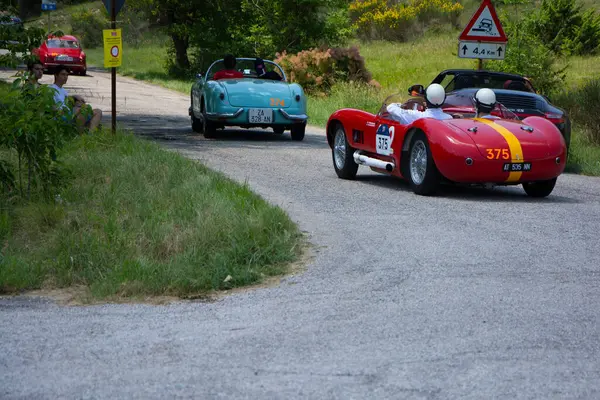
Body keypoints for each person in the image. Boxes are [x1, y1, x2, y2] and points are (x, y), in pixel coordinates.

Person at [49, 65, 102, 132]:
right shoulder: (51, 89)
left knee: (98, 112)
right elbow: (51, 107)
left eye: (67, 75)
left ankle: (90, 135)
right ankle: (80, 136)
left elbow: (67, 101)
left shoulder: (63, 91)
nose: (65, 77)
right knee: (81, 111)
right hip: (61, 115)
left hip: (70, 113)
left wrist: (75, 99)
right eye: (63, 74)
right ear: (56, 75)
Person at [386, 83, 453, 125]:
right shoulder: (449, 118)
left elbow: (390, 108)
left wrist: (402, 105)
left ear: (426, 100)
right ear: (443, 99)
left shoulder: (416, 116)